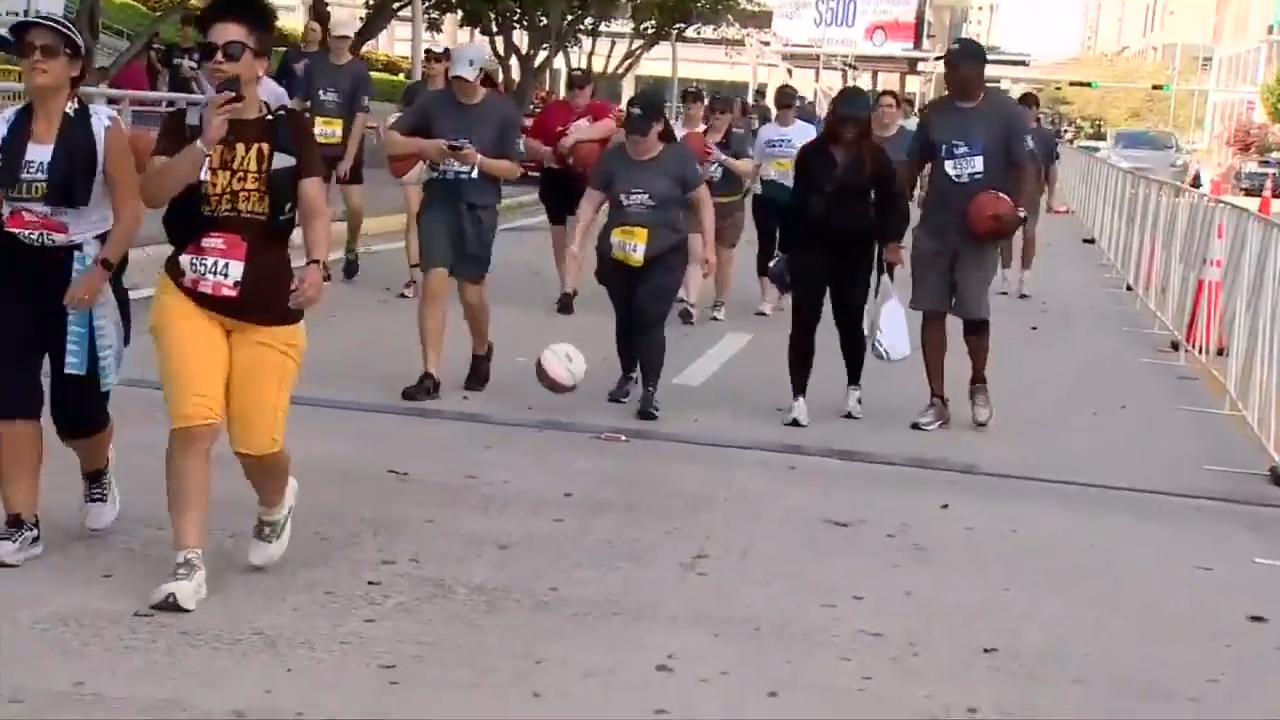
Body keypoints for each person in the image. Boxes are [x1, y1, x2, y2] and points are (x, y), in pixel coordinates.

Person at [138, 0, 329, 611]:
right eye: (208, 53)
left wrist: (319, 265)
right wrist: (203, 145)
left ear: (260, 61)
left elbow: (316, 208)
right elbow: (150, 193)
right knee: (194, 425)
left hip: (267, 307)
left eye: (231, 52)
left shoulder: (289, 128)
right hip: (190, 294)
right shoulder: (186, 126)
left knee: (255, 444)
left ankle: (276, 499)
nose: (217, 63)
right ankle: (187, 564)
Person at [0, 14, 140, 567]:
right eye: (28, 51)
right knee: (10, 397)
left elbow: (129, 212)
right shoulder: (6, 125)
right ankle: (20, 522)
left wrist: (101, 270)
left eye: (49, 52)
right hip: (13, 268)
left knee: (77, 412)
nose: (35, 59)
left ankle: (97, 469)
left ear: (75, 66)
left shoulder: (105, 128)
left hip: (82, 265)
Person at [902, 38, 1033, 432]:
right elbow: (913, 161)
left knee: (974, 311)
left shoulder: (1005, 114)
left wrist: (1018, 213)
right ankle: (937, 399)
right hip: (936, 229)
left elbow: (1027, 168)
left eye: (955, 67)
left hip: (980, 231)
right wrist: (893, 213)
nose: (947, 74)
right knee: (932, 309)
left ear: (978, 71)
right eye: (946, 66)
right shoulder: (935, 114)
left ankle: (978, 382)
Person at [385, 42, 524, 402]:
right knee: (434, 281)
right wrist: (426, 147)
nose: (460, 84)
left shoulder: (502, 112)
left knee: (471, 293)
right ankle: (430, 373)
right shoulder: (434, 103)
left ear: (481, 75)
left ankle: (481, 348)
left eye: (467, 77)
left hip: (478, 206)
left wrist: (476, 160)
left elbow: (514, 167)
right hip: (440, 203)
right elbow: (392, 141)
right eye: (455, 77)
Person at [569, 89, 714, 421]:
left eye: (643, 132)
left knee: (649, 315)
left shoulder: (677, 159)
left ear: (659, 125)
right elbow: (592, 200)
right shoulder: (613, 157)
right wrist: (577, 241)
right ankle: (627, 372)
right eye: (631, 131)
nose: (636, 139)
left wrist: (708, 248)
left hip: (664, 251)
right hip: (618, 252)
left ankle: (650, 390)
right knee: (627, 317)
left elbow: (702, 201)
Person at [779, 87, 910, 428]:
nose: (850, 129)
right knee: (804, 321)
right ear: (833, 119)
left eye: (856, 122)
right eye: (844, 121)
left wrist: (891, 243)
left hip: (855, 249)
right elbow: (795, 204)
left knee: (849, 321)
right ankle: (798, 397)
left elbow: (892, 204)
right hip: (811, 246)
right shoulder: (810, 155)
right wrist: (784, 250)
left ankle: (854, 387)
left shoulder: (875, 158)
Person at [522, 67, 617, 315]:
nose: (577, 92)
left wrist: (574, 139)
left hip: (586, 178)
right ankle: (566, 280)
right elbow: (530, 141)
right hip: (555, 175)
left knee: (579, 232)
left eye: (582, 87)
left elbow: (608, 126)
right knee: (558, 233)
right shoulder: (553, 109)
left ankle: (568, 288)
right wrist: (545, 153)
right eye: (573, 86)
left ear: (591, 88)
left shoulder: (599, 109)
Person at [295, 18, 373, 283]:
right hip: (316, 146)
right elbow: (299, 100)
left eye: (346, 39)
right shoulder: (315, 66)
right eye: (337, 38)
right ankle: (319, 261)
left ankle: (351, 247)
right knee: (317, 207)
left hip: (346, 147)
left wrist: (348, 158)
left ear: (352, 40)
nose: (341, 43)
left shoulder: (359, 72)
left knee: (355, 207)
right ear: (329, 38)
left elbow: (361, 116)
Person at [388, 43, 449, 300]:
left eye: (437, 59)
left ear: (447, 63)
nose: (431, 63)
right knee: (415, 215)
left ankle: (440, 270)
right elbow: (397, 119)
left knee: (442, 218)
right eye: (428, 58)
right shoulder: (414, 91)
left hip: (444, 162)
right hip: (413, 158)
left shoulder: (453, 92)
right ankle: (415, 277)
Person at [752, 84, 817, 316]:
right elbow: (756, 162)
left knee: (789, 245)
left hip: (795, 195)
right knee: (766, 243)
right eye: (781, 107)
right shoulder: (765, 132)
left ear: (795, 107)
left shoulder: (807, 131)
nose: (785, 112)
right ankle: (766, 296)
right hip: (767, 193)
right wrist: (750, 184)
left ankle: (785, 288)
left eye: (789, 107)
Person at [999, 91, 1059, 299]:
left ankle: (1025, 279)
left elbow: (1051, 167)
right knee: (1005, 233)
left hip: (1033, 191)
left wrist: (1051, 196)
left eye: (1028, 110)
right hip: (1009, 189)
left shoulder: (1046, 137)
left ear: (1035, 111)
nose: (1025, 114)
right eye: (1021, 110)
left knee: (1029, 233)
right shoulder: (1009, 133)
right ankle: (1007, 276)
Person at [701, 94, 755, 322]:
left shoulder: (737, 140)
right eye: (714, 111)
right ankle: (689, 296)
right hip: (701, 205)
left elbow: (749, 169)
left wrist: (722, 158)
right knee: (695, 253)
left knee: (724, 256)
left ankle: (720, 301)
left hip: (729, 205)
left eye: (722, 112)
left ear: (731, 115)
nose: (717, 116)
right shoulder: (698, 138)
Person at [672, 86, 711, 324]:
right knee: (674, 249)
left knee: (695, 251)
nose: (691, 110)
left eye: (696, 105)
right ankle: (678, 285)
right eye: (688, 105)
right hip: (672, 196)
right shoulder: (672, 132)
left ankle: (691, 303)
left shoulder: (707, 134)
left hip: (697, 196)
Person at [871, 89, 913, 281]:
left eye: (890, 106)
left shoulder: (910, 138)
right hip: (866, 205)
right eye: (881, 106)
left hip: (896, 208)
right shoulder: (865, 138)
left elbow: (922, 166)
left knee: (887, 263)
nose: (885, 111)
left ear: (898, 111)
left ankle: (882, 303)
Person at [273, 20, 321, 99]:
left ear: (320, 36)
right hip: (289, 103)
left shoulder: (324, 58)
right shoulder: (290, 54)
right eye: (307, 29)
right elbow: (278, 80)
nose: (309, 32)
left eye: (313, 30)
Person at [160, 12, 201, 97]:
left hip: (193, 98)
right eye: (184, 27)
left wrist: (193, 75)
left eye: (190, 27)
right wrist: (162, 91)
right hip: (173, 96)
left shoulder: (199, 51)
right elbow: (163, 71)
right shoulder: (171, 48)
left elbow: (203, 76)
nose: (187, 31)